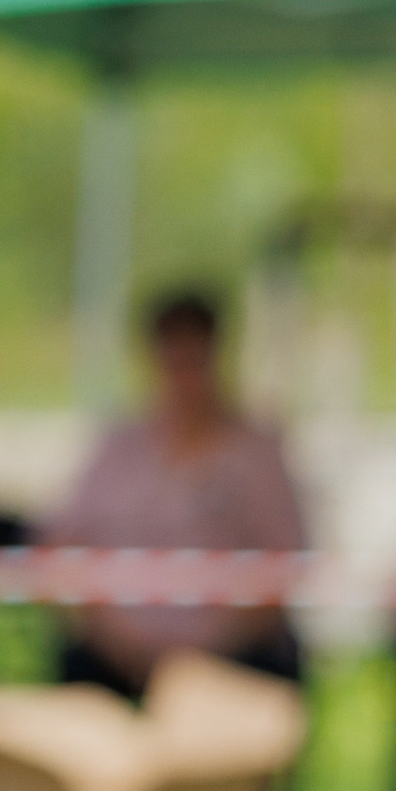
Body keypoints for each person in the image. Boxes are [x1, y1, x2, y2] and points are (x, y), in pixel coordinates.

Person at [51, 286, 306, 696]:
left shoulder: (255, 452)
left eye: (194, 359)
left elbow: (283, 568)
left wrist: (200, 653)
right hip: (112, 662)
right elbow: (64, 549)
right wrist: (122, 642)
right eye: (173, 358)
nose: (183, 375)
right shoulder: (119, 446)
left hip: (232, 664)